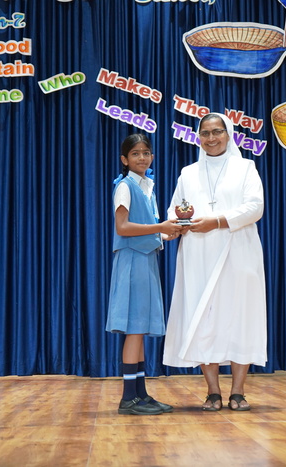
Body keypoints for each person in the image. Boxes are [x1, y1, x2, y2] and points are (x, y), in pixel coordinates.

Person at [163, 113, 267, 411]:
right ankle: (212, 392)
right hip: (198, 254)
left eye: (217, 132)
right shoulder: (188, 173)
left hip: (239, 251)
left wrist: (218, 221)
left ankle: (238, 392)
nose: (211, 138)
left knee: (241, 317)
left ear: (228, 134)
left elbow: (255, 207)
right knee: (203, 318)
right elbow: (174, 210)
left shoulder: (245, 167)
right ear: (198, 137)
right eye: (205, 133)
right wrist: (173, 227)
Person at [106, 134, 183, 415]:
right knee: (134, 328)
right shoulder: (124, 186)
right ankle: (128, 398)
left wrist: (164, 234)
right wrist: (160, 227)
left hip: (146, 259)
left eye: (146, 152)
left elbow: (145, 229)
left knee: (139, 329)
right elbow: (123, 227)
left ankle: (140, 394)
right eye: (135, 153)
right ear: (124, 160)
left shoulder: (147, 186)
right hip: (132, 261)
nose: (142, 157)